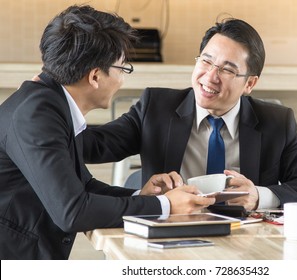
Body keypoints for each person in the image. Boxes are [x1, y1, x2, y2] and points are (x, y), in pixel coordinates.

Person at [0, 5, 215, 260]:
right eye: (122, 69)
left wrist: (141, 196)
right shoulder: (37, 115)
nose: (122, 80)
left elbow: (83, 187)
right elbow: (73, 211)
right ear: (94, 77)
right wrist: (166, 206)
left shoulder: (48, 104)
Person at [83, 18, 297, 211]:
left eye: (227, 70)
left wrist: (258, 195)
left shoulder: (275, 122)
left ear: (250, 84)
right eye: (206, 61)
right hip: (171, 236)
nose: (211, 76)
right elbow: (94, 145)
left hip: (244, 244)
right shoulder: (157, 108)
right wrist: (53, 103)